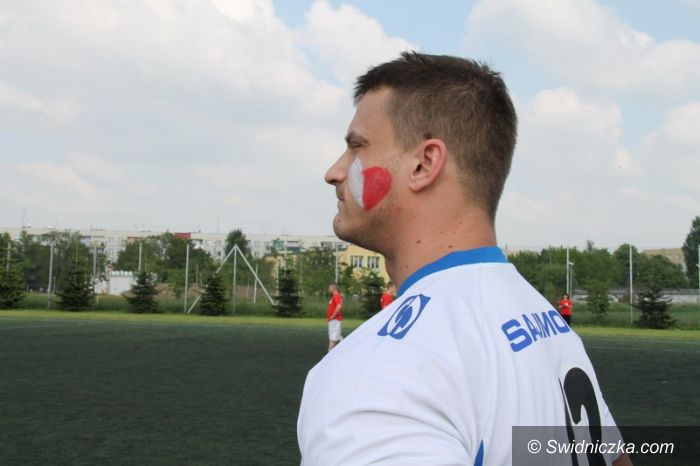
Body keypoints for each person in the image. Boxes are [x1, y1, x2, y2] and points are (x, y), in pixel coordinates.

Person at [297, 52, 631, 465]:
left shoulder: (378, 375)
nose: (334, 171)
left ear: (424, 164)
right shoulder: (545, 321)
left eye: (356, 147)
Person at [326, 283, 343, 352]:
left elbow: (339, 306)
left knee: (333, 338)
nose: (329, 289)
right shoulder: (335, 296)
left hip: (335, 320)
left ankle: (329, 353)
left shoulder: (336, 296)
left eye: (329, 288)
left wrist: (333, 316)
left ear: (333, 288)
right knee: (336, 336)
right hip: (333, 320)